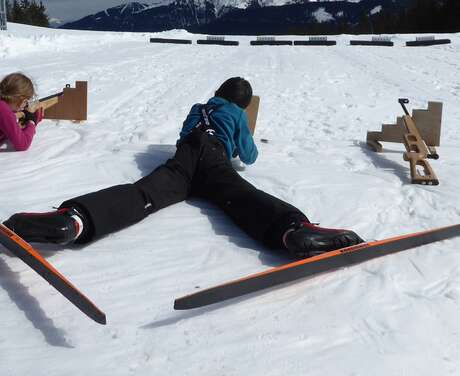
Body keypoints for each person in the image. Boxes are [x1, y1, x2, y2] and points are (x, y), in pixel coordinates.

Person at [4, 77, 363, 258]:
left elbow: (183, 134)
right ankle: (293, 230)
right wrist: (240, 140)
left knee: (142, 194)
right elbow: (249, 156)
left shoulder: (198, 107)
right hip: (213, 158)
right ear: (242, 102)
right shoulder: (237, 113)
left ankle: (73, 221)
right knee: (239, 194)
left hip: (183, 158)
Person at [0, 72, 44, 152]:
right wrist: (32, 121)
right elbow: (22, 144)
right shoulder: (3, 109)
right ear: (23, 100)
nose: (25, 105)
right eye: (26, 102)